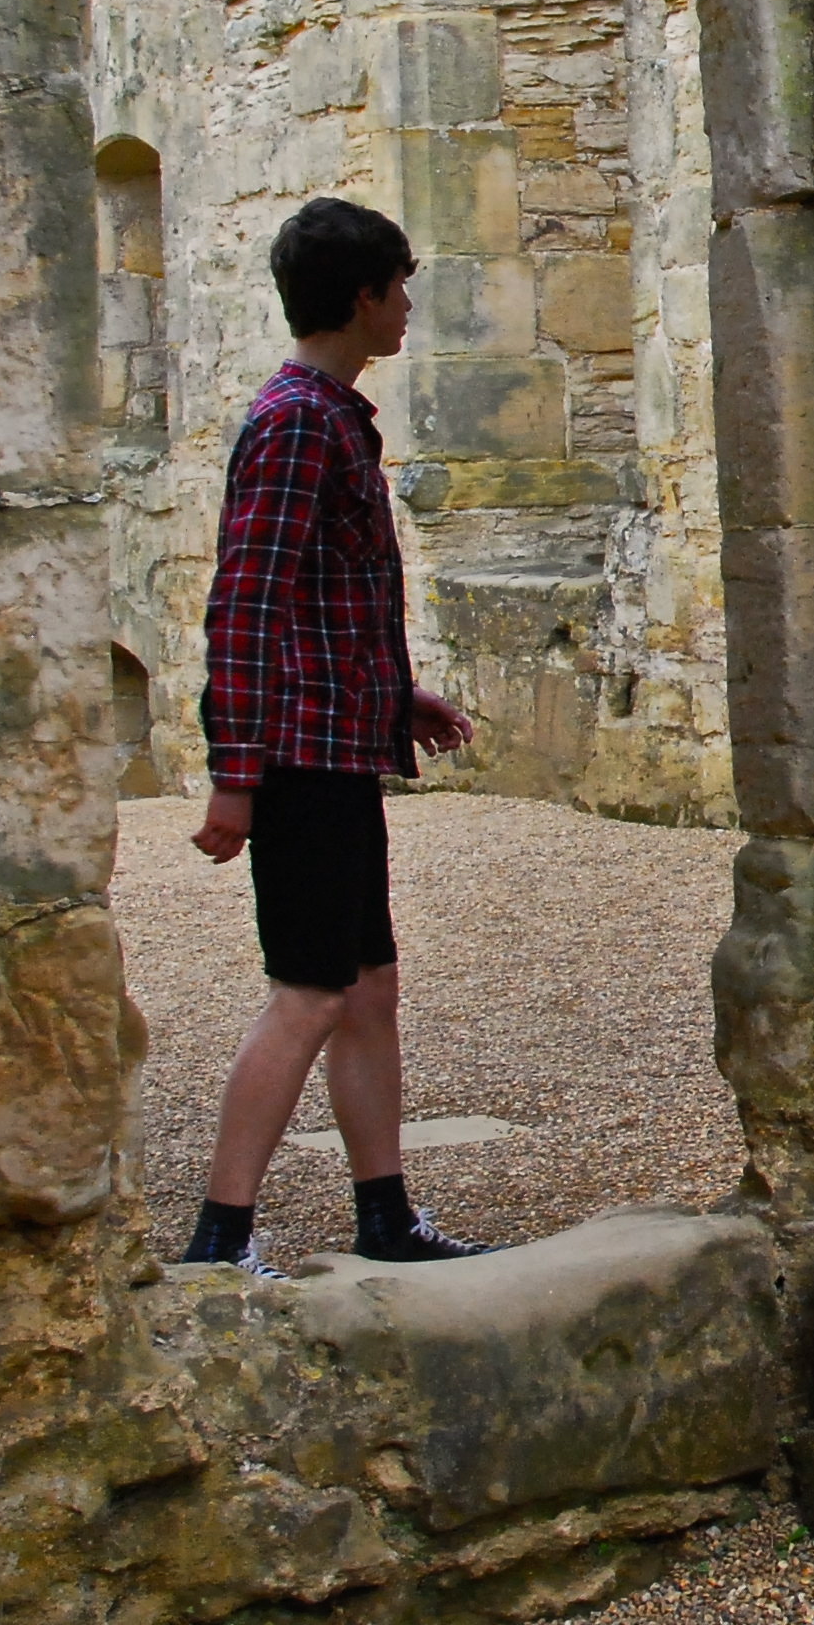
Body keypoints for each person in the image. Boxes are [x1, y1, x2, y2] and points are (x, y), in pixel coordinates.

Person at [177, 197, 489, 1271]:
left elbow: (321, 602)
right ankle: (220, 1240)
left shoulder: (329, 414)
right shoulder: (298, 419)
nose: (407, 305)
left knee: (367, 989)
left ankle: (386, 1216)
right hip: (301, 763)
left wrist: (396, 697)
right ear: (362, 297)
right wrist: (236, 777)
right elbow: (248, 604)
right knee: (309, 994)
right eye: (399, 285)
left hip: (339, 747)